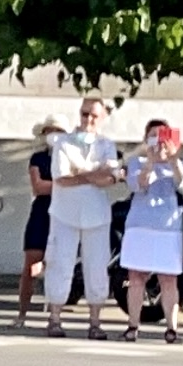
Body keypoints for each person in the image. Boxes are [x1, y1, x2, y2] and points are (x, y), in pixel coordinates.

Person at [42, 96, 122, 340]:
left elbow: (110, 179)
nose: (89, 119)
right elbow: (62, 179)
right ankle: (55, 318)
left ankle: (95, 322)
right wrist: (94, 175)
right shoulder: (63, 143)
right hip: (64, 213)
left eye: (94, 115)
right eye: (85, 114)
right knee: (60, 263)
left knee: (97, 267)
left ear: (102, 118)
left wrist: (82, 173)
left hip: (97, 214)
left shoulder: (107, 145)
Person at [118, 122, 183, 344]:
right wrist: (150, 161)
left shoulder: (181, 164)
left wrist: (172, 159)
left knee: (169, 280)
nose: (158, 141)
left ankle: (172, 329)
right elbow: (138, 185)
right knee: (136, 278)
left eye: (162, 136)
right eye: (153, 136)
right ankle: (133, 326)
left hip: (168, 230)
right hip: (139, 227)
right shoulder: (137, 163)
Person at [13, 115, 61, 329]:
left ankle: (54, 316)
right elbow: (38, 186)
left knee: (58, 265)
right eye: (50, 131)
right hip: (41, 212)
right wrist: (64, 184)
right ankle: (22, 313)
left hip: (62, 213)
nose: (53, 135)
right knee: (31, 264)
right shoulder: (38, 158)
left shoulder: (70, 159)